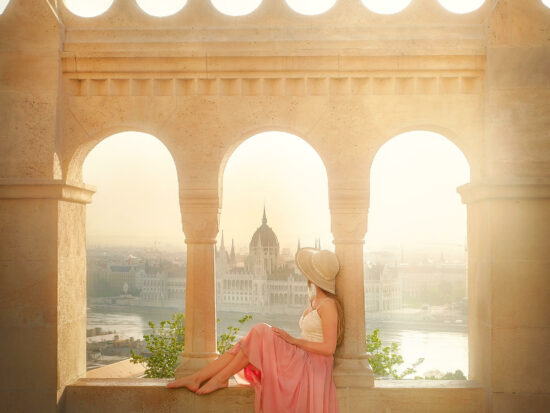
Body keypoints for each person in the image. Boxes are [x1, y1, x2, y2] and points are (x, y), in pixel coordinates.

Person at [167, 247, 344, 413]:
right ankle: (200, 378)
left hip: (313, 364)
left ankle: (214, 379)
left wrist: (293, 341)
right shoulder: (314, 301)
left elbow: (329, 348)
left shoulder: (328, 305)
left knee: (259, 332)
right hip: (304, 356)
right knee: (250, 342)